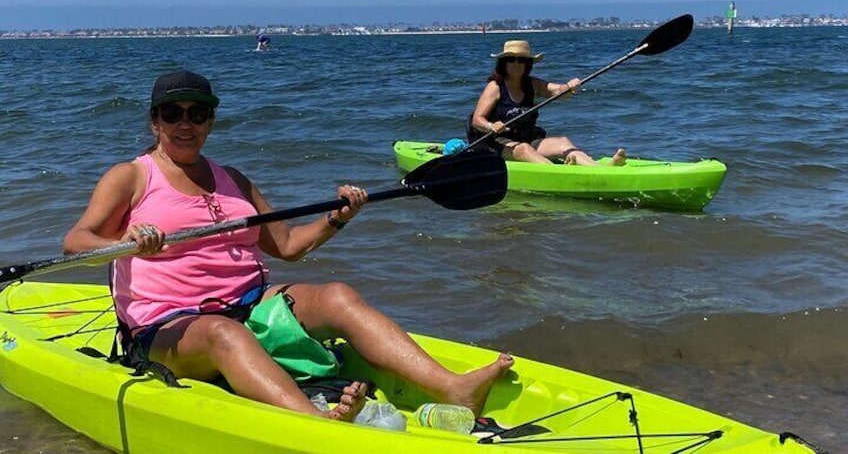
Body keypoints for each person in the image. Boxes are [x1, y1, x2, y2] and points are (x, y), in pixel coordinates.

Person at [63, 70, 513, 423]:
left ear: (211, 121)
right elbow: (75, 242)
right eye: (173, 114)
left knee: (337, 294)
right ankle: (314, 421)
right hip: (167, 327)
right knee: (224, 333)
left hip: (251, 305)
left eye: (197, 114)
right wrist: (128, 243)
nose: (186, 124)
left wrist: (337, 217)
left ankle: (452, 388)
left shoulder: (233, 179)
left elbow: (288, 246)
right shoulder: (132, 176)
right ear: (155, 121)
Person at [469, 40, 627, 166]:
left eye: (521, 60)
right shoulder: (495, 87)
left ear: (527, 64)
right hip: (495, 143)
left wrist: (570, 87)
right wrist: (491, 126)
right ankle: (559, 174)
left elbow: (556, 91)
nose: (516, 64)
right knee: (524, 149)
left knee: (563, 142)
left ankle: (599, 169)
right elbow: (477, 119)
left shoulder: (532, 84)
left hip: (526, 138)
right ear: (504, 63)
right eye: (511, 60)